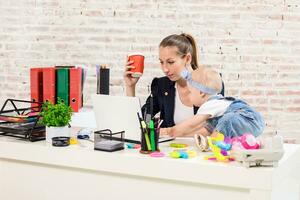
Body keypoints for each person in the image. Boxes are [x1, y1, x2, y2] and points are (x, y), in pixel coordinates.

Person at [124, 33, 224, 136]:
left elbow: (216, 127)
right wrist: (130, 86)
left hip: (199, 150)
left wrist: (171, 132)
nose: (165, 69)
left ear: (188, 59)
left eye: (170, 62)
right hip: (169, 150)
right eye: (162, 62)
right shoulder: (161, 85)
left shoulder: (210, 84)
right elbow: (143, 120)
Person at [160, 67, 265, 139]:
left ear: (201, 93)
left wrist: (170, 131)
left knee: (227, 120)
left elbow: (191, 124)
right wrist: (181, 136)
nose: (188, 95)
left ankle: (214, 144)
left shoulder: (210, 105)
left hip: (249, 118)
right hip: (247, 123)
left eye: (190, 92)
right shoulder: (215, 111)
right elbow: (203, 131)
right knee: (213, 127)